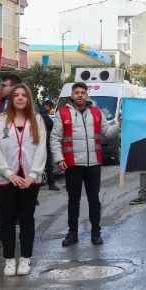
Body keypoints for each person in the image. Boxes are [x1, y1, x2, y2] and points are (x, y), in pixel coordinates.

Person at [51, 82, 120, 245]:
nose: (80, 95)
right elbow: (55, 138)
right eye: (77, 92)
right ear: (72, 95)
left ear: (87, 95)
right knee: (73, 200)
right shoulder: (62, 114)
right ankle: (72, 233)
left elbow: (108, 133)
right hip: (72, 165)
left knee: (94, 199)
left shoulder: (96, 112)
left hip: (93, 164)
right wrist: (59, 159)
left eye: (83, 92)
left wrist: (119, 125)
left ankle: (96, 232)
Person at [0, 84, 47, 277]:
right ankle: (9, 259)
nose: (20, 98)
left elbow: (41, 149)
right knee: (7, 220)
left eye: (24, 95)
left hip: (30, 179)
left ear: (29, 99)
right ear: (11, 99)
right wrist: (9, 174)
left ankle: (25, 258)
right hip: (6, 179)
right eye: (16, 95)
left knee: (26, 219)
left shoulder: (37, 120)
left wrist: (33, 174)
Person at [0, 74, 25, 250]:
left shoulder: (29, 107)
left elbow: (44, 126)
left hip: (22, 164)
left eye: (4, 85)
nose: (0, 88)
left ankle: (23, 235)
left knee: (21, 202)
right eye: (0, 85)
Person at [35, 96, 59, 192]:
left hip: (37, 140)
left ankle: (38, 180)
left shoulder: (37, 110)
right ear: (48, 106)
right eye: (50, 107)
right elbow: (50, 124)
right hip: (44, 139)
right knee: (48, 162)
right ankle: (51, 183)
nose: (50, 109)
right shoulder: (43, 113)